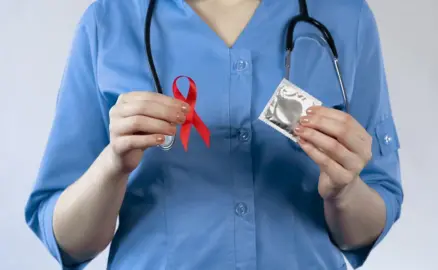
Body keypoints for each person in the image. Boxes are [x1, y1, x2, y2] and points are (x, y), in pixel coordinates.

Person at [24, 0, 403, 269]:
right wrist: (113, 165)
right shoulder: (107, 22)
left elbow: (367, 227)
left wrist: (345, 191)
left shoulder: (345, 17)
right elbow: (67, 244)